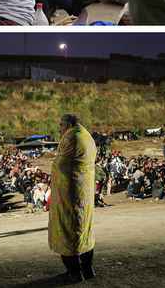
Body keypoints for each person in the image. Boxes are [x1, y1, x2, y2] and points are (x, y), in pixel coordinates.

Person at [49, 114, 97, 283]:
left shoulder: (72, 137)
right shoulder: (86, 135)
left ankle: (74, 273)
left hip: (69, 193)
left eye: (61, 125)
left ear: (68, 124)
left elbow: (60, 165)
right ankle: (88, 269)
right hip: (84, 191)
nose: (59, 128)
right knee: (84, 229)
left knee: (67, 232)